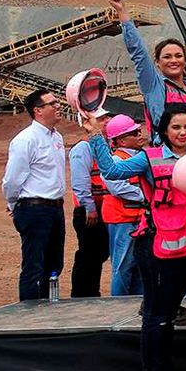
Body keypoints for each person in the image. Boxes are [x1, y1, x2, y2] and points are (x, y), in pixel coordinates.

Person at [83, 104, 186, 371]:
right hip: (157, 248)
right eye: (176, 127)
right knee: (156, 317)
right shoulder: (148, 158)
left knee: (168, 315)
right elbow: (111, 170)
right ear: (164, 131)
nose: (182, 133)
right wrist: (96, 136)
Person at [110, 0, 186, 156]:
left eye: (178, 56)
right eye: (167, 57)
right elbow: (139, 54)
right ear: (157, 63)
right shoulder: (154, 86)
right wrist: (123, 14)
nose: (173, 60)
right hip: (171, 160)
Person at [1, 89, 67, 302]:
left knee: (55, 264)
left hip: (56, 208)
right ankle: (28, 317)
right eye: (52, 103)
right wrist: (13, 204)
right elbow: (12, 179)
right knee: (34, 266)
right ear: (38, 110)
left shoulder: (57, 136)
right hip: (34, 208)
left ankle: (49, 307)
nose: (58, 106)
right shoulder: (25, 140)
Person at [100, 114, 148, 297]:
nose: (139, 134)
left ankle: (137, 301)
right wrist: (147, 197)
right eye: (134, 133)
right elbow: (118, 188)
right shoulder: (115, 161)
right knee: (122, 266)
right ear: (121, 140)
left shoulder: (138, 157)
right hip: (122, 220)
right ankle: (118, 305)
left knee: (139, 265)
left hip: (137, 219)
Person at [69, 120, 111, 298]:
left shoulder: (103, 147)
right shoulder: (83, 148)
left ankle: (90, 293)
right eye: (101, 119)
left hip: (101, 208)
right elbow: (80, 181)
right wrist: (90, 207)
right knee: (89, 255)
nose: (107, 121)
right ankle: (82, 295)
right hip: (89, 211)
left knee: (98, 253)